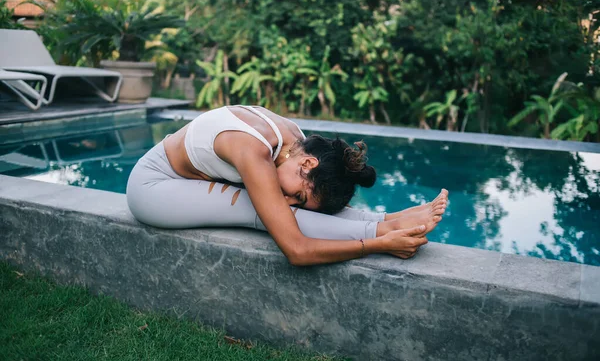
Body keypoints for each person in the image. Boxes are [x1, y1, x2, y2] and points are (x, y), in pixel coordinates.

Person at [126, 105, 448, 266]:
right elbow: (296, 249)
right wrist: (378, 246)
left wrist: (383, 221)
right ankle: (381, 229)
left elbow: (314, 197)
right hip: (154, 187)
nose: (292, 201)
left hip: (184, 181)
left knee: (274, 204)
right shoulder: (254, 151)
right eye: (299, 195)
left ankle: (387, 219)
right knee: (260, 209)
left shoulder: (296, 143)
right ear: (307, 164)